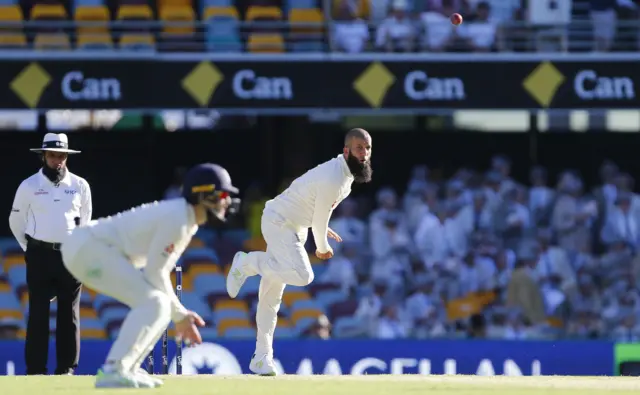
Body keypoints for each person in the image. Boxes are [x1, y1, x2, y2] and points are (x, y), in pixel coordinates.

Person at [60, 163, 240, 388]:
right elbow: (155, 272)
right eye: (222, 194)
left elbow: (155, 273)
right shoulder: (179, 218)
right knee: (155, 303)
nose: (227, 201)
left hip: (87, 248)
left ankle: (127, 368)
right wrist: (181, 316)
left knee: (159, 304)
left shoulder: (184, 218)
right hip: (89, 248)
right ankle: (114, 369)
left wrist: (178, 314)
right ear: (203, 194)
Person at [226, 128, 373, 375]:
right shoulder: (335, 177)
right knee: (304, 276)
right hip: (279, 222)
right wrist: (323, 247)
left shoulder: (344, 176)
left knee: (271, 298)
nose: (365, 154)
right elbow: (318, 215)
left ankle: (261, 358)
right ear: (346, 150)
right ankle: (248, 263)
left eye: (368, 148)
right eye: (360, 148)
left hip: (294, 225)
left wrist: (321, 228)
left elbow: (313, 206)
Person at [9, 133, 92, 375]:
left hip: (70, 255)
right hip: (39, 255)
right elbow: (15, 220)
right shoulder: (29, 186)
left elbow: (86, 221)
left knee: (69, 313)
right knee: (38, 313)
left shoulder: (80, 185)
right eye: (53, 155)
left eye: (62, 155)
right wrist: (29, 248)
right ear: (43, 156)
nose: (58, 160)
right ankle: (35, 369)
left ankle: (66, 368)